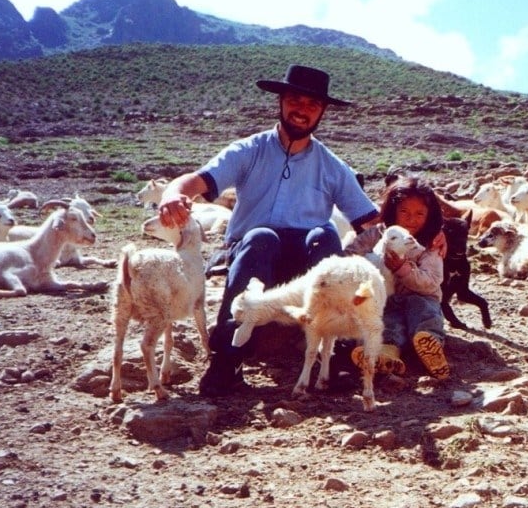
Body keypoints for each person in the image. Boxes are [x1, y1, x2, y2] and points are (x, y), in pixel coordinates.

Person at [158, 64, 379, 397]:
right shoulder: (249, 150)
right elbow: (198, 181)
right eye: (295, 99)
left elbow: (372, 223)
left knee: (325, 237)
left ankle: (336, 355)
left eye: (312, 104)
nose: (302, 110)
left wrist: (430, 234)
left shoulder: (333, 167)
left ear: (322, 112)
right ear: (281, 101)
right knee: (262, 238)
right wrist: (173, 194)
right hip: (255, 255)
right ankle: (227, 360)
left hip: (307, 271)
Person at [345, 175, 450, 380]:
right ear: (393, 210)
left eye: (420, 213)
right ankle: (384, 355)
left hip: (419, 296)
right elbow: (350, 253)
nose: (412, 219)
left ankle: (431, 345)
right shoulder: (378, 234)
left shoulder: (431, 243)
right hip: (386, 299)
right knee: (388, 322)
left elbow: (430, 283)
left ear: (430, 215)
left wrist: (403, 269)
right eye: (404, 211)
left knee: (425, 314)